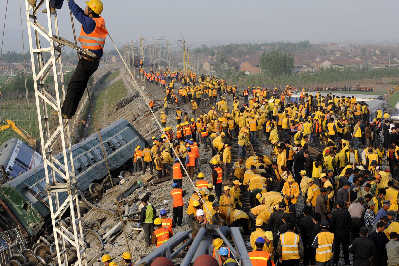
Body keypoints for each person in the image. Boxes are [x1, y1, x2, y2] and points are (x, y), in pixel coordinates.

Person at [42, 0, 108, 119]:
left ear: (91, 12)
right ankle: (68, 112)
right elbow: (81, 12)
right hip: (92, 61)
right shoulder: (98, 21)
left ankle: (66, 112)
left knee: (74, 86)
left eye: (88, 7)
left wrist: (70, 1)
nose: (85, 8)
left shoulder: (90, 23)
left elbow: (77, 13)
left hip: (87, 61)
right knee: (79, 87)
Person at [331, 201, 351, 265]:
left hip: (337, 233)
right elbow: (350, 223)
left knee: (336, 248)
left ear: (338, 205)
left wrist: (333, 231)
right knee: (345, 248)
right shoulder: (347, 213)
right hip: (345, 233)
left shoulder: (334, 213)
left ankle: (335, 262)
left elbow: (332, 224)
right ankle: (347, 261)